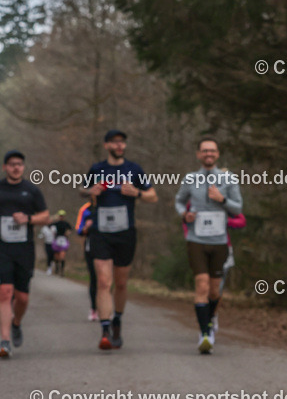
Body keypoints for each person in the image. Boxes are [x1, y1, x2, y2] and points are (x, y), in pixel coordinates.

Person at [83, 129, 158, 350]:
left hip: (125, 232)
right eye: (115, 142)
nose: (119, 146)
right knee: (104, 282)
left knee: (121, 283)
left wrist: (138, 193)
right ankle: (105, 330)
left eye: (122, 142)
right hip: (101, 231)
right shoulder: (97, 169)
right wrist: (90, 191)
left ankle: (117, 319)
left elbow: (153, 196)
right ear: (106, 145)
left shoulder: (134, 169)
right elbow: (81, 189)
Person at [174, 137, 242, 354]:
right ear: (198, 154)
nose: (208, 154)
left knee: (214, 290)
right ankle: (205, 333)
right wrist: (184, 214)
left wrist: (222, 199)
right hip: (196, 240)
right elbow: (178, 201)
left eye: (212, 151)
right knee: (201, 285)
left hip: (220, 241)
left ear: (218, 154)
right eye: (204, 151)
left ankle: (211, 318)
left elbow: (238, 209)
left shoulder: (228, 179)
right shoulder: (190, 179)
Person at [0, 150, 49, 357]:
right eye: (11, 164)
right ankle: (4, 341)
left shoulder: (31, 191)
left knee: (22, 297)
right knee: (5, 292)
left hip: (24, 248)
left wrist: (28, 219)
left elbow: (45, 216)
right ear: (5, 167)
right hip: (2, 248)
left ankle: (16, 322)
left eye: (19, 164)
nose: (15, 167)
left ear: (23, 167)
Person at [75, 200, 99, 321]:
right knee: (94, 278)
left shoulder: (109, 204)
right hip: (91, 248)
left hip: (109, 247)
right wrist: (86, 227)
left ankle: (106, 307)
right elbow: (79, 230)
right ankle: (94, 308)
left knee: (106, 280)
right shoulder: (85, 209)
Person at [51, 210, 72, 276]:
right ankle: (57, 268)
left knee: (62, 255)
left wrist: (68, 232)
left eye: (62, 216)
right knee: (56, 256)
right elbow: (50, 226)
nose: (61, 217)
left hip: (64, 240)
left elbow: (71, 229)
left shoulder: (66, 223)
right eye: (60, 216)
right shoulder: (55, 223)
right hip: (57, 239)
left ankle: (62, 271)